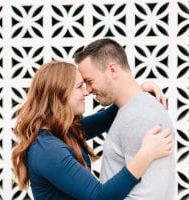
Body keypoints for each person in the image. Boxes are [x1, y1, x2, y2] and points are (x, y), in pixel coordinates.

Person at [12, 60, 172, 200]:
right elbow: (99, 197)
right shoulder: (48, 150)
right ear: (60, 94)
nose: (87, 91)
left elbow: (107, 117)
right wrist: (146, 155)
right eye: (80, 86)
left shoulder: (63, 132)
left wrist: (136, 90)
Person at [74, 38, 176, 200]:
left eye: (89, 81)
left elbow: (149, 196)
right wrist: (139, 90)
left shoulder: (140, 116)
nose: (87, 91)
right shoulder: (128, 110)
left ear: (112, 70)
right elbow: (75, 131)